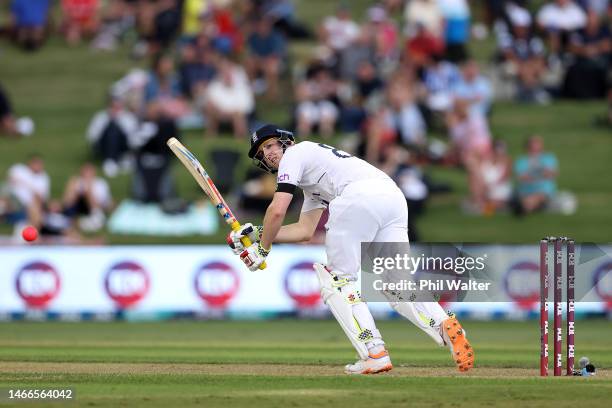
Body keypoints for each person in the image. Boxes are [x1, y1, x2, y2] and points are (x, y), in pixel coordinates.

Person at [227, 124, 475, 375]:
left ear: (284, 141)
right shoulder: (312, 176)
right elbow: (304, 231)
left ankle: (374, 353)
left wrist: (263, 250)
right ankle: (446, 325)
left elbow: (277, 210)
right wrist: (257, 235)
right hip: (391, 198)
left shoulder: (295, 153)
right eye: (261, 152)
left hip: (359, 196)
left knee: (336, 281)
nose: (267, 153)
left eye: (269, 145)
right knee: (396, 284)